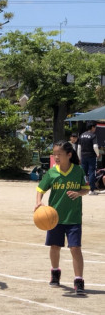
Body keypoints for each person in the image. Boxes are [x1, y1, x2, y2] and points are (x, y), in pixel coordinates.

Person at [35, 140, 89, 295]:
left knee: (75, 248)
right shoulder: (52, 172)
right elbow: (40, 189)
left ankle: (78, 280)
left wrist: (78, 193)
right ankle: (55, 272)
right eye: (54, 154)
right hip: (54, 218)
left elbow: (86, 189)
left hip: (73, 217)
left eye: (59, 154)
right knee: (55, 247)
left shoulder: (78, 171)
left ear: (69, 155)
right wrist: (39, 202)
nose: (56, 157)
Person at [79, 121, 99, 195]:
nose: (95, 129)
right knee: (91, 172)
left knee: (83, 173)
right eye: (95, 127)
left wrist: (79, 157)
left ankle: (83, 188)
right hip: (91, 156)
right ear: (92, 127)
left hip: (83, 156)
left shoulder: (82, 135)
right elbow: (95, 146)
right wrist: (97, 153)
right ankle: (91, 190)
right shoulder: (93, 135)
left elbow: (79, 147)